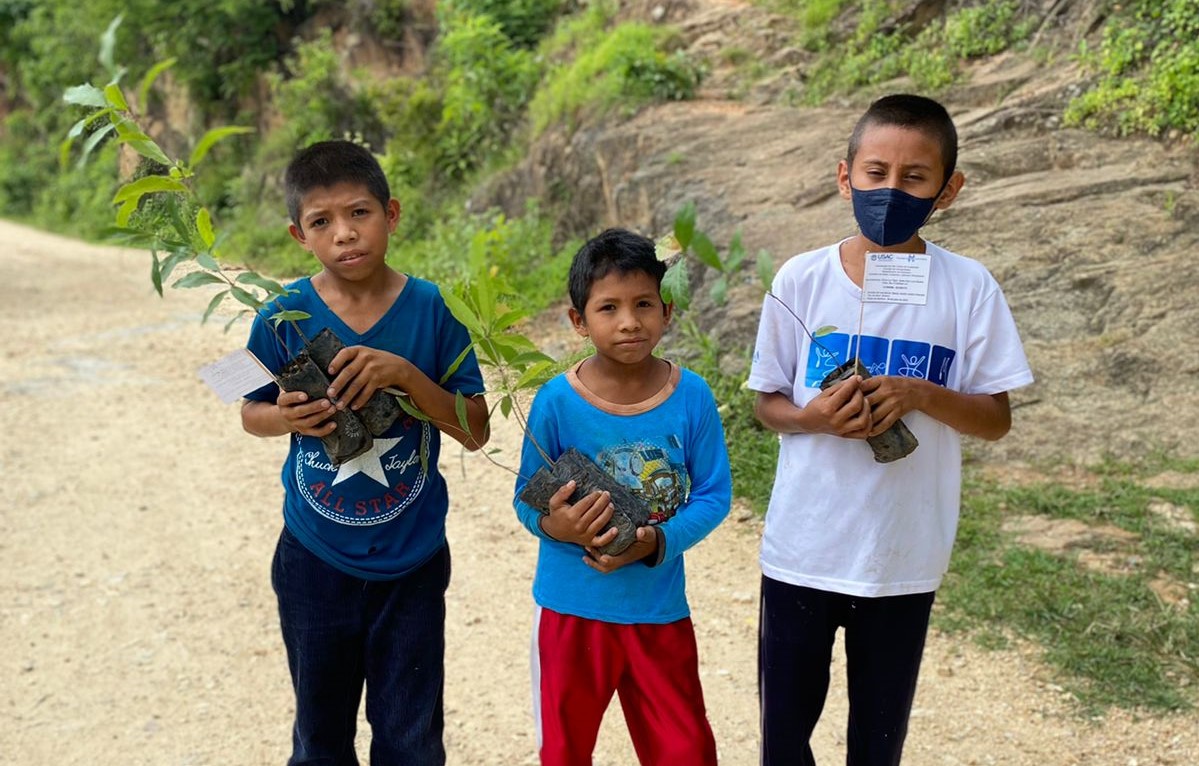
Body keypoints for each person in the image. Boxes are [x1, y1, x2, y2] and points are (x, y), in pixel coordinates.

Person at [748, 93, 1034, 765]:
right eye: (875, 172)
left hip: (902, 557)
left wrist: (920, 394)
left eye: (915, 177)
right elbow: (766, 404)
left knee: (878, 744)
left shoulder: (968, 288)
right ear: (844, 176)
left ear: (948, 190)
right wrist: (814, 417)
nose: (890, 191)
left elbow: (995, 419)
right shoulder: (800, 279)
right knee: (783, 737)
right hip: (803, 548)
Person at [240, 139, 489, 765]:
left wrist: (405, 374)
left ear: (392, 214)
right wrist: (284, 415)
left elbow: (475, 429)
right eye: (322, 222)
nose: (345, 233)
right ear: (299, 236)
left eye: (359, 213)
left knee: (411, 741)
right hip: (313, 559)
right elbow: (249, 411)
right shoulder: (281, 316)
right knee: (320, 740)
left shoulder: (436, 311)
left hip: (412, 559)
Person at [512, 228, 732, 766]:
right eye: (608, 307)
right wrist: (556, 526)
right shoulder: (556, 402)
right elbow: (526, 498)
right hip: (571, 611)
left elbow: (713, 495)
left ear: (667, 310)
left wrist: (655, 541)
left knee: (684, 751)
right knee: (564, 750)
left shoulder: (692, 396)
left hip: (658, 609)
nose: (629, 321)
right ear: (579, 321)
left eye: (643, 304)